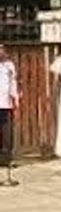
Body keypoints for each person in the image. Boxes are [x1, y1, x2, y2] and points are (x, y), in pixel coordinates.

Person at [0, 44, 19, 182]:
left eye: (2, 50)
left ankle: (7, 161)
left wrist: (15, 98)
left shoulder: (9, 66)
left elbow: (13, 83)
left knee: (7, 135)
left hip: (5, 105)